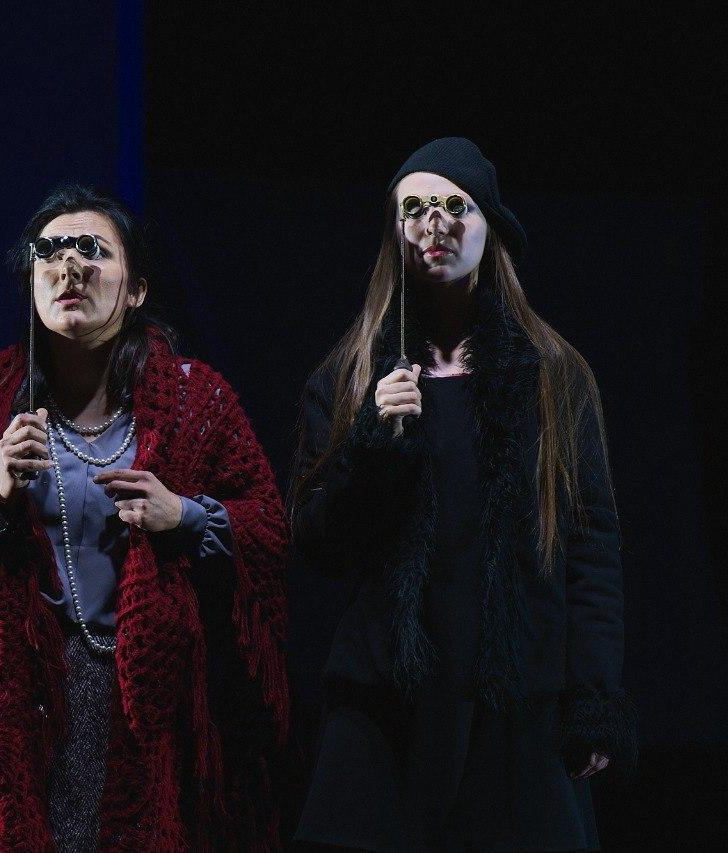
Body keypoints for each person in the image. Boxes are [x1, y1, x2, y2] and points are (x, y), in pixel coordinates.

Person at [0, 185, 290, 850]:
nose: (70, 266)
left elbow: (269, 530)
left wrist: (187, 515)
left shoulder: (195, 400)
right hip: (29, 705)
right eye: (51, 251)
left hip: (155, 703)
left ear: (136, 289)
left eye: (92, 249)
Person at [291, 138, 633, 850]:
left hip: (516, 704)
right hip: (388, 708)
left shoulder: (552, 375)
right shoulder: (350, 377)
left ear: (490, 227)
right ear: (395, 233)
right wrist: (371, 443)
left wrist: (593, 698)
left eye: (456, 205)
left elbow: (590, 544)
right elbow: (319, 542)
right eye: (415, 207)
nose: (435, 222)